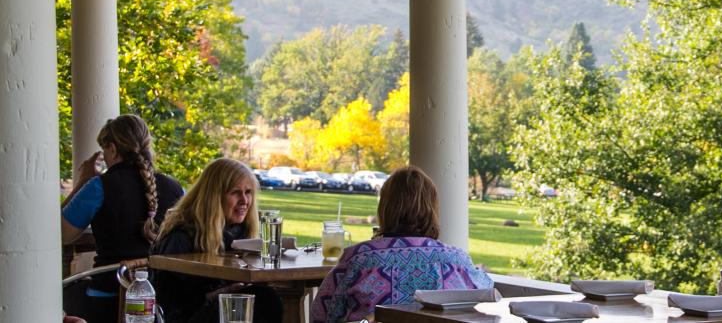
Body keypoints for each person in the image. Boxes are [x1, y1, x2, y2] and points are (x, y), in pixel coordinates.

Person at [311, 167, 493, 323]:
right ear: (433, 209)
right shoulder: (458, 261)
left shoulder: (358, 259)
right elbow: (488, 294)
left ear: (385, 207)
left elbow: (322, 315)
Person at [61, 115, 185, 323]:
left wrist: (82, 181)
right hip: (160, 298)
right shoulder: (174, 188)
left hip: (107, 296)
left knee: (61, 297)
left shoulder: (100, 186)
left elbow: (64, 234)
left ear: (112, 149)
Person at [151, 158, 282, 323]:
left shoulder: (240, 232)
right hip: (189, 316)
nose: (244, 201)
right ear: (214, 196)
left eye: (248, 192)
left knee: (268, 298)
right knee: (265, 300)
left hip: (226, 310)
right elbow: (169, 303)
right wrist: (217, 295)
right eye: (235, 192)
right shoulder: (182, 236)